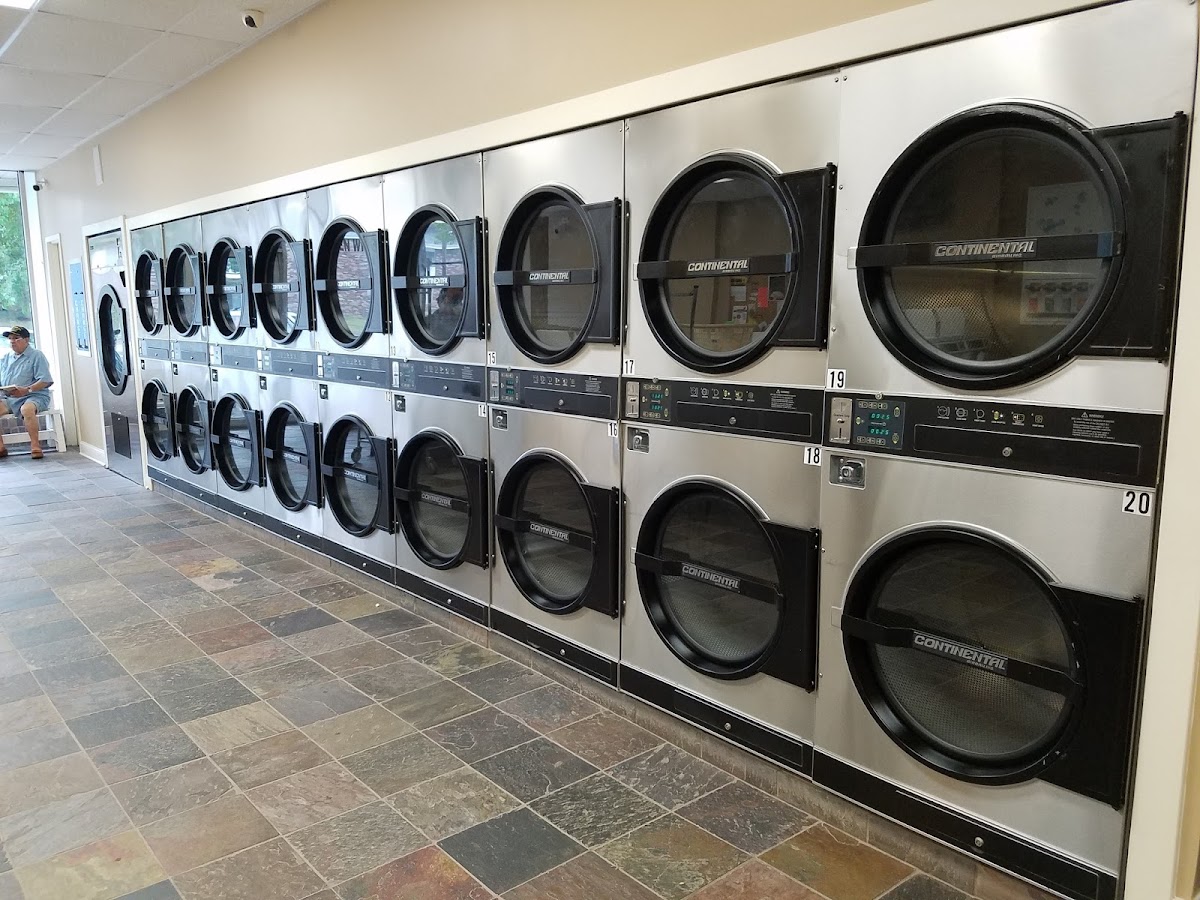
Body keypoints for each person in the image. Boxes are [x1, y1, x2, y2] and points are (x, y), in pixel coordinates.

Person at [0, 326, 53, 460]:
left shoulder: (37, 355)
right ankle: (0, 447)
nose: (12, 341)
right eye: (10, 339)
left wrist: (28, 389)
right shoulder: (6, 358)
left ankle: (35, 446)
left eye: (16, 338)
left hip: (34, 395)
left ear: (26, 340)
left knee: (27, 409)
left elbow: (46, 380)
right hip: (10, 396)